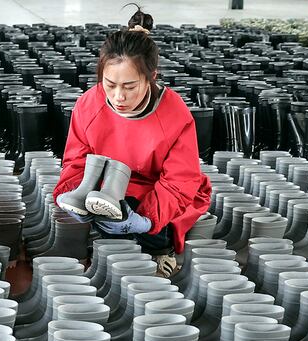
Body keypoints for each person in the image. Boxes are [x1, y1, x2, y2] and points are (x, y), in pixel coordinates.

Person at [52, 6, 211, 278]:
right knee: (108, 221)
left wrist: (145, 220)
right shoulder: (89, 105)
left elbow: (179, 182)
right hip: (107, 191)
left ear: (151, 78)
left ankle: (161, 252)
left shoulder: (174, 114)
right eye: (109, 84)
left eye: (129, 87)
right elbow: (76, 162)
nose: (118, 97)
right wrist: (75, 192)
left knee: (148, 227)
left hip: (158, 192)